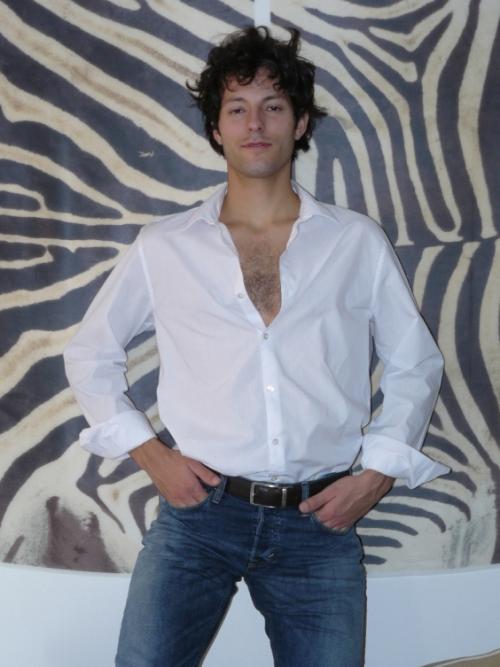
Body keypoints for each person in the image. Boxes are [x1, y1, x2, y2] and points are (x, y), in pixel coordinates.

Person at [64, 26, 449, 667]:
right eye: (237, 108)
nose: (256, 123)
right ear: (217, 129)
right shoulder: (165, 245)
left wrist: (377, 475)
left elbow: (416, 362)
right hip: (198, 517)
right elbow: (89, 355)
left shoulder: (355, 241)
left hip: (319, 521)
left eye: (273, 106)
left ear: (300, 123)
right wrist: (151, 455)